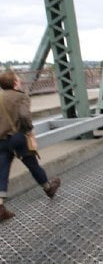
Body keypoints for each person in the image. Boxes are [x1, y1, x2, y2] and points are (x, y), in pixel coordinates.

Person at [0, 70, 60, 220]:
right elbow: (24, 116)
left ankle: (0, 207)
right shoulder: (21, 97)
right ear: (14, 83)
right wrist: (30, 132)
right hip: (18, 138)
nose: (20, 81)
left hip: (2, 141)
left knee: (2, 171)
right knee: (32, 164)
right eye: (18, 80)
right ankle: (48, 188)